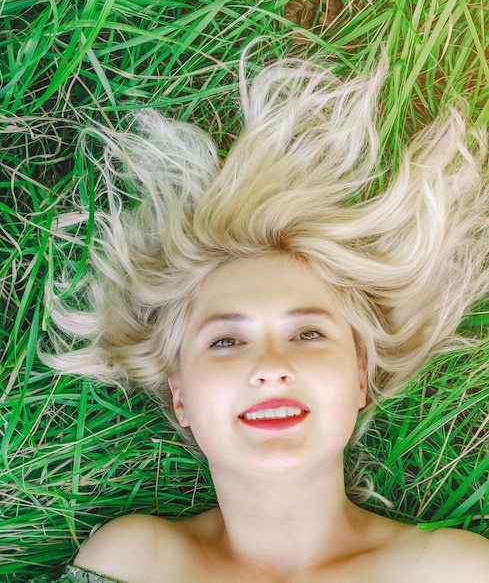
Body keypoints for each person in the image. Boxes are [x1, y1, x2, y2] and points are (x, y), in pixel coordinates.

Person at [41, 57, 489, 582]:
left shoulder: (454, 571)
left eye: (308, 333)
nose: (271, 366)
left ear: (360, 378)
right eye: (227, 341)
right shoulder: (139, 563)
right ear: (180, 394)